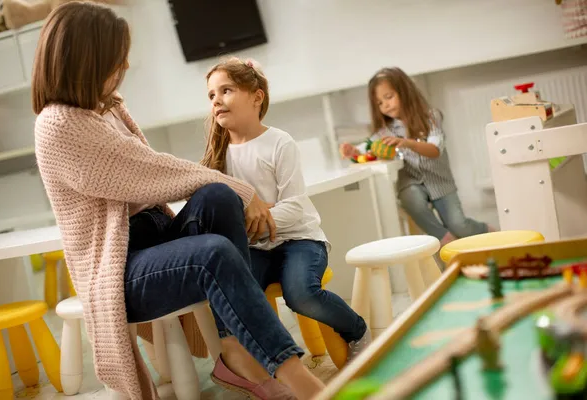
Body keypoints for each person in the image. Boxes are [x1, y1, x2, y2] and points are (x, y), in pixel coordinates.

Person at [32, 3, 324, 399]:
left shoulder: (109, 108)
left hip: (154, 237)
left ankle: (235, 351)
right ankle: (298, 379)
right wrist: (247, 190)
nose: (125, 67)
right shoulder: (59, 124)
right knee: (213, 251)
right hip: (119, 269)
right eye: (118, 58)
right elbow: (151, 172)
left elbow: (155, 172)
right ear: (87, 59)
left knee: (217, 196)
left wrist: (233, 189)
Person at [201, 57, 370, 360]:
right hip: (255, 246)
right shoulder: (218, 155)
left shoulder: (280, 143)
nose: (216, 100)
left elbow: (294, 207)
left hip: (300, 241)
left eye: (226, 90)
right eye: (212, 95)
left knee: (301, 294)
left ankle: (356, 330)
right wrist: (253, 215)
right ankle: (279, 360)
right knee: (236, 292)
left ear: (256, 97)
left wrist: (257, 215)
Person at [339, 67, 493, 246]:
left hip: (440, 182)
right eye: (380, 103)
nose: (386, 106)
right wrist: (353, 152)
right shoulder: (384, 131)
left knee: (459, 225)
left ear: (405, 92)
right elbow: (368, 148)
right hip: (411, 182)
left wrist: (407, 143)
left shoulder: (430, 117)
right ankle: (444, 239)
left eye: (388, 97)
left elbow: (435, 149)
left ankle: (488, 230)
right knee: (409, 197)